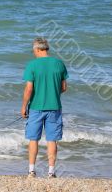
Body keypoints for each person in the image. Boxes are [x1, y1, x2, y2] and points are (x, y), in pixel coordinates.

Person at [21, 37, 68, 178]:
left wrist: (24, 106)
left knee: (33, 139)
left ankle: (31, 171)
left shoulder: (32, 65)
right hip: (54, 107)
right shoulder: (59, 64)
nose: (33, 52)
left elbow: (29, 89)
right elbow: (64, 87)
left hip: (35, 108)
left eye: (33, 50)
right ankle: (51, 172)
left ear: (37, 49)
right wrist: (53, 93)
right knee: (52, 140)